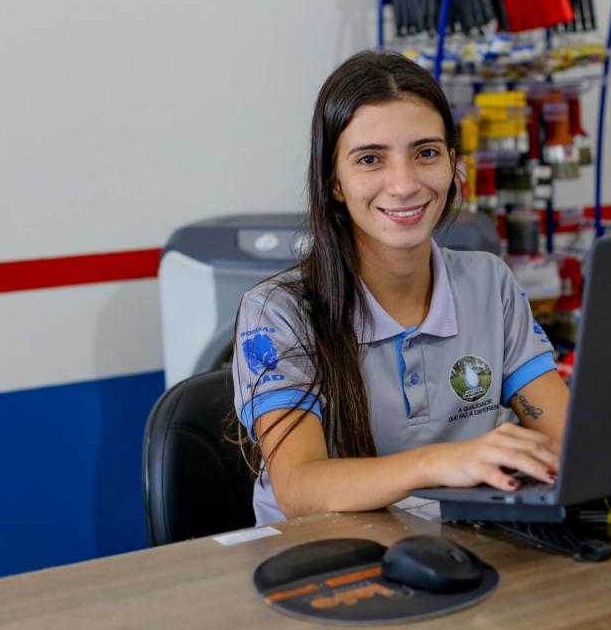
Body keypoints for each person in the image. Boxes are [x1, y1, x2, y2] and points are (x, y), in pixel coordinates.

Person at [233, 49, 570, 525]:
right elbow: (299, 487)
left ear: (453, 163)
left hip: (459, 548)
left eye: (425, 153)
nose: (404, 184)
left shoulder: (489, 282)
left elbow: (570, 440)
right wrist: (440, 463)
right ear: (334, 181)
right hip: (324, 558)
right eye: (370, 159)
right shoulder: (276, 310)